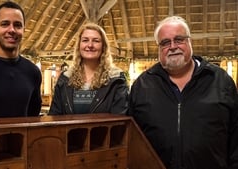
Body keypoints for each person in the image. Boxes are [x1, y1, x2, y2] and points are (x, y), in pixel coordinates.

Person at [128, 16, 238, 169]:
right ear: (159, 48)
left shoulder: (220, 81)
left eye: (179, 39)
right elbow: (133, 140)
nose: (173, 46)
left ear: (189, 41)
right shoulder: (142, 85)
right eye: (165, 42)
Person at [48, 22, 128, 115]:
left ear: (104, 47)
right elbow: (54, 115)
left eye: (96, 41)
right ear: (79, 46)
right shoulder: (65, 78)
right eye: (85, 40)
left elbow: (120, 119)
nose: (90, 45)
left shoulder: (116, 79)